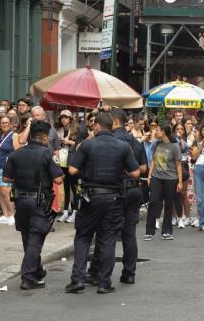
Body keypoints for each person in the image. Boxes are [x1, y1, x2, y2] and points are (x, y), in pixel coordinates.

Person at [65, 112, 139, 294]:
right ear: (111, 125)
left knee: (83, 237)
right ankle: (104, 283)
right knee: (108, 240)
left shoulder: (87, 145)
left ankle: (77, 280)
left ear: (97, 126)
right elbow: (136, 173)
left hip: (91, 196)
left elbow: (72, 170)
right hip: (113, 197)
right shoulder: (122, 146)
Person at [2, 121, 64, 290]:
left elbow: (6, 178)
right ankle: (28, 277)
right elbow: (58, 179)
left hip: (20, 200)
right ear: (44, 136)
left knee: (27, 237)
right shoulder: (47, 153)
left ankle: (36, 271)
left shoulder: (17, 153)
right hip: (39, 201)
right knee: (35, 239)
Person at [90, 108, 147, 284]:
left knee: (106, 233)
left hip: (114, 190)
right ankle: (129, 273)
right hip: (133, 189)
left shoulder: (109, 140)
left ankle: (99, 273)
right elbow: (143, 168)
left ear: (114, 122)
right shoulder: (135, 141)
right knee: (129, 234)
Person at [143, 123, 183, 241]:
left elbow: (179, 165)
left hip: (171, 178)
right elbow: (154, 161)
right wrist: (149, 175)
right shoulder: (156, 144)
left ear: (164, 132)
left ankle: (166, 231)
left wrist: (180, 182)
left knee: (169, 204)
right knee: (153, 202)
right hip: (156, 177)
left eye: (158, 130)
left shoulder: (175, 146)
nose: (155, 132)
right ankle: (149, 232)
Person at [0, 115, 17, 225]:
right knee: (0, 191)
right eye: (2, 123)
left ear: (10, 124)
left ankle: (13, 215)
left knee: (6, 192)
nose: (4, 124)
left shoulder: (13, 135)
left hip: (7, 168)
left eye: (6, 123)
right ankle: (5, 215)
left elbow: (17, 150)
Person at [55, 110, 79, 223]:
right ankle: (65, 211)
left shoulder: (76, 130)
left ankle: (75, 212)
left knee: (74, 188)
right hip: (62, 161)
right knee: (65, 187)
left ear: (70, 119)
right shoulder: (58, 130)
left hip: (72, 161)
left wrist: (68, 141)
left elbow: (80, 144)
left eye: (66, 117)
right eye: (62, 117)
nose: (63, 119)